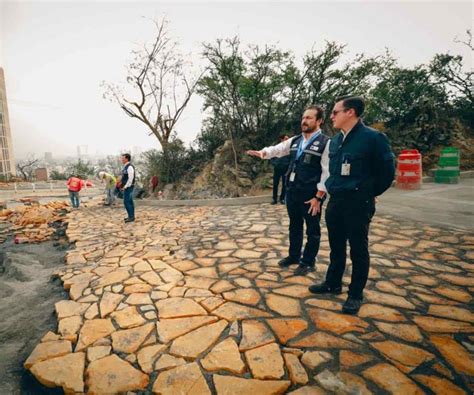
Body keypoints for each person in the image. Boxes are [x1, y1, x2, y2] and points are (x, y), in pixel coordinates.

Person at [308, 96, 395, 314]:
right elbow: (333, 171)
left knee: (358, 249)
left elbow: (387, 172)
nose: (332, 116)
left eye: (335, 112)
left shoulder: (373, 138)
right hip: (336, 201)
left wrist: (369, 193)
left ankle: (355, 294)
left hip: (358, 203)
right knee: (336, 247)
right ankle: (333, 283)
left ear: (351, 112)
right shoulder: (336, 141)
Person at [247, 105, 330, 276]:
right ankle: (294, 256)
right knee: (295, 226)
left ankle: (308, 261)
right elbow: (277, 149)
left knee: (312, 230)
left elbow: (327, 172)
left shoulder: (325, 143)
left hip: (311, 195)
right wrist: (262, 152)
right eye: (303, 118)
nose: (304, 121)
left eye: (309, 118)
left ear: (319, 121)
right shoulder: (295, 140)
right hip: (292, 192)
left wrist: (318, 197)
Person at [270, 135, 291, 204]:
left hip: (285, 169)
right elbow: (271, 157)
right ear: (281, 139)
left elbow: (291, 158)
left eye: (287, 139)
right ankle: (274, 199)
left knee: (284, 184)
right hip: (277, 168)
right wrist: (275, 164)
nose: (287, 140)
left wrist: (288, 166)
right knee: (275, 184)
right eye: (285, 139)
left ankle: (282, 199)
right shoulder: (276, 147)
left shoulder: (289, 148)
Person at [120, 153, 136, 223]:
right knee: (130, 201)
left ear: (127, 159)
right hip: (127, 186)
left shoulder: (129, 167)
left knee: (127, 202)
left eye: (123, 158)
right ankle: (131, 216)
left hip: (128, 187)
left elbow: (130, 178)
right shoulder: (126, 166)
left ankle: (131, 217)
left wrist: (125, 186)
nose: (121, 160)